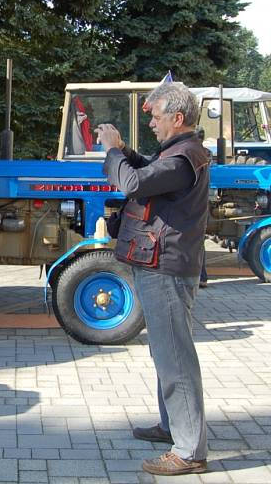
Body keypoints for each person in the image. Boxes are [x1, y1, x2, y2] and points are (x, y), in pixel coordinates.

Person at [96, 81, 210, 476]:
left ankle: (189, 451)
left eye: (158, 118)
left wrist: (113, 150)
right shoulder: (181, 153)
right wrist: (125, 151)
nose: (154, 125)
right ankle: (173, 428)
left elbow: (133, 182)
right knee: (166, 352)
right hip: (162, 265)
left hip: (166, 268)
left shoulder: (182, 159)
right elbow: (146, 169)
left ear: (178, 119)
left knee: (175, 357)